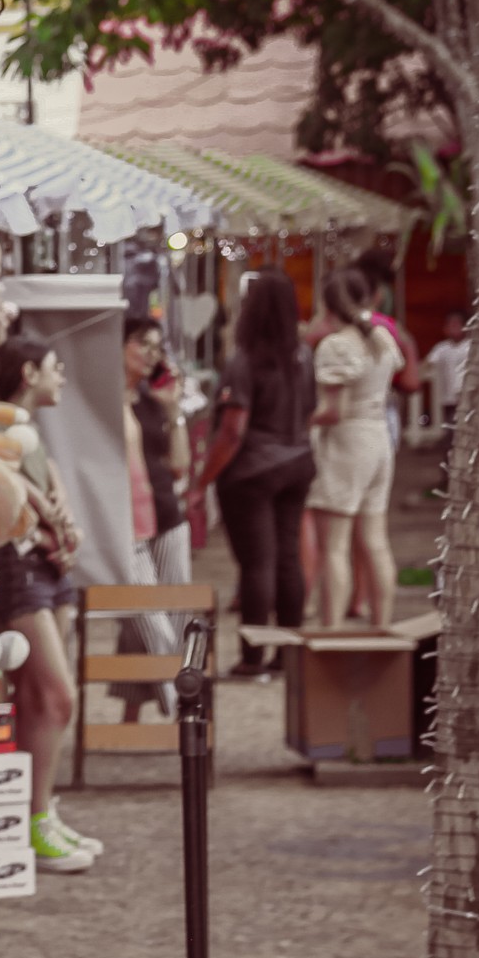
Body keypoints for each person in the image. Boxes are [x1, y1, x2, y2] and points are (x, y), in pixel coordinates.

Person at [0, 335, 103, 871]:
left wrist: (65, 519)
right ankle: (33, 822)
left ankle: (40, 815)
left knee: (42, 700)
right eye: (55, 369)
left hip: (46, 565)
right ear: (29, 373)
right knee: (56, 694)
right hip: (17, 564)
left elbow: (45, 490)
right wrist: (51, 515)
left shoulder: (27, 431)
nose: (62, 379)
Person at [192, 270, 315, 677]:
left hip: (252, 472)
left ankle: (252, 658)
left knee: (257, 564)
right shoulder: (303, 355)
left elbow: (232, 431)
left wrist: (201, 482)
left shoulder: (243, 360)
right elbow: (312, 409)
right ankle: (289, 655)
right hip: (298, 463)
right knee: (287, 558)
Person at [308, 266, 404, 629]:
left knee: (334, 546)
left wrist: (300, 422)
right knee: (375, 541)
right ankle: (382, 627)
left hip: (346, 442)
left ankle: (331, 633)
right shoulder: (381, 337)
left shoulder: (336, 345)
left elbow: (334, 411)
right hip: (379, 438)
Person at [116, 316, 192, 721]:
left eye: (157, 347)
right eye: (142, 343)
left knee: (171, 621)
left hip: (166, 516)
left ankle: (132, 715)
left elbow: (179, 465)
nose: (151, 354)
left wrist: (174, 410)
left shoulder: (151, 403)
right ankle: (183, 709)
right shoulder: (103, 402)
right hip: (124, 527)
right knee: (151, 621)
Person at [426, 309, 468, 492]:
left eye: (457, 325)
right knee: (449, 441)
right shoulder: (442, 348)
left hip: (469, 403)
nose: (453, 329)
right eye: (450, 325)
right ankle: (448, 478)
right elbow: (426, 365)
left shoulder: (471, 346)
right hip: (449, 402)